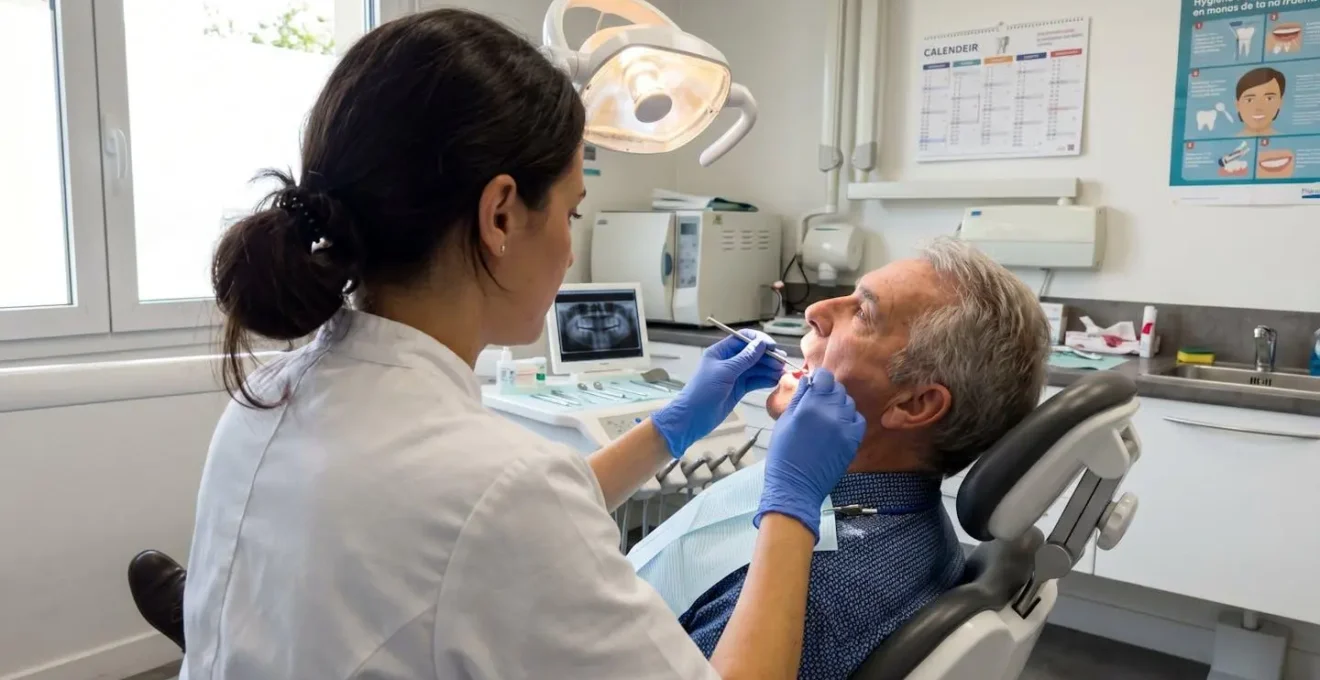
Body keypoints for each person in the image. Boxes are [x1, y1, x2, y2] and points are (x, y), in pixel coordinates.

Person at [177, 9, 866, 680]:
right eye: (571, 211)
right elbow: (501, 515)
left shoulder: (267, 394)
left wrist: (671, 428)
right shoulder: (497, 489)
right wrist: (792, 501)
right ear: (500, 215)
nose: (570, 249)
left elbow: (494, 526)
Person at [640, 238, 1051, 678]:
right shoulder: (876, 509)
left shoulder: (819, 596)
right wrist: (667, 433)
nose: (814, 311)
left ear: (914, 404)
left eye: (863, 312)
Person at [1235, 67, 1286, 137]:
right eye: (1249, 100)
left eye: (1269, 98)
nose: (1258, 107)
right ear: (1237, 105)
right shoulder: (1228, 141)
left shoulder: (1288, 141)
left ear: (1280, 102)